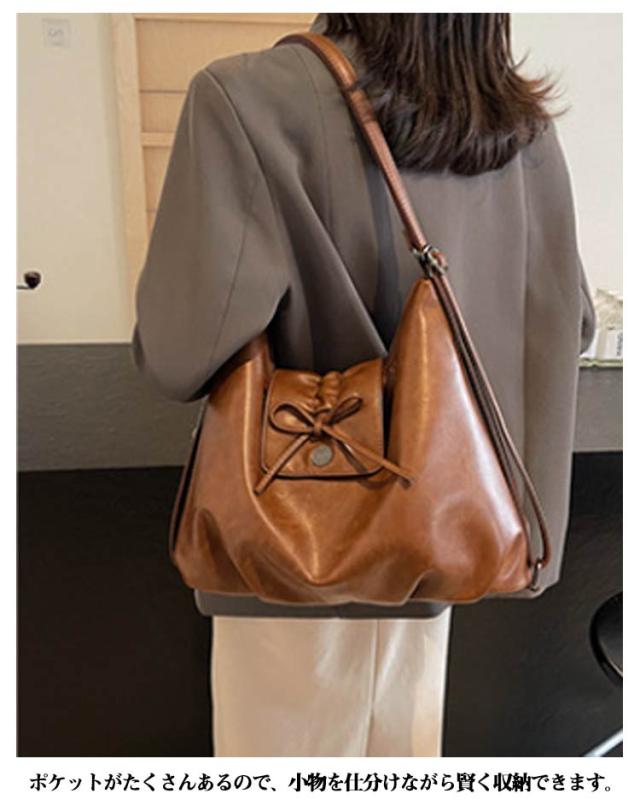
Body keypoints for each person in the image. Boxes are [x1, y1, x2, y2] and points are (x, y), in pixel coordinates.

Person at [131, 12, 596, 756]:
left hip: (289, 547)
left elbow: (177, 352)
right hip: (439, 539)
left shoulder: (245, 97)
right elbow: (570, 323)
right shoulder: (519, 126)